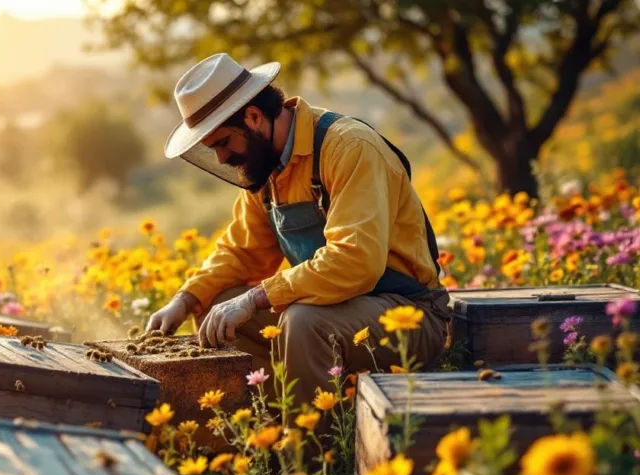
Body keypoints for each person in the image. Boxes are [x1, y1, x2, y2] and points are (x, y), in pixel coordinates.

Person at [147, 53, 452, 403]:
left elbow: (355, 261)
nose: (221, 158)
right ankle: (265, 422)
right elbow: (241, 252)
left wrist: (257, 297)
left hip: (409, 314)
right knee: (216, 309)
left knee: (303, 322)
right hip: (335, 308)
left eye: (223, 142)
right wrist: (185, 300)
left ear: (253, 117)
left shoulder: (350, 148)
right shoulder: (264, 168)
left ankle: (309, 437)